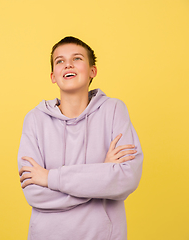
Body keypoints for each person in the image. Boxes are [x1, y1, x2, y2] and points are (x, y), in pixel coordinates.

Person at [17, 36, 143, 240]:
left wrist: (50, 178)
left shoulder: (113, 110)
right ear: (53, 76)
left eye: (77, 58)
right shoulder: (35, 119)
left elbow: (126, 179)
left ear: (92, 71)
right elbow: (34, 192)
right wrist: (102, 174)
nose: (68, 64)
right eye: (60, 61)